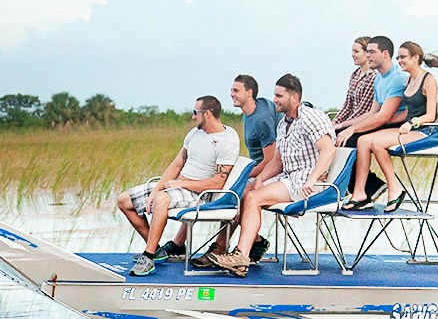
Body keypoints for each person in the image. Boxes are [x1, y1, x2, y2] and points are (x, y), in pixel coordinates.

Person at [209, 75, 336, 278]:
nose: (274, 100)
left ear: (294, 97)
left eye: (279, 95)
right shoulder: (284, 123)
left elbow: (328, 150)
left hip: (307, 181)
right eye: (274, 95)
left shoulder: (312, 117)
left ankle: (241, 256)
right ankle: (229, 249)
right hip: (289, 176)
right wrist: (259, 179)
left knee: (253, 198)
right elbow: (277, 161)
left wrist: (312, 179)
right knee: (244, 191)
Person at [116, 95, 239, 276]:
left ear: (207, 114)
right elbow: (177, 164)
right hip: (178, 187)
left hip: (199, 193)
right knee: (123, 200)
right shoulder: (194, 133)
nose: (192, 116)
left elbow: (218, 182)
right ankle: (156, 250)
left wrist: (180, 184)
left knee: (162, 199)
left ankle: (148, 257)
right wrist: (158, 187)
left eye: (195, 112)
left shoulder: (227, 138)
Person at [166, 75, 277, 263]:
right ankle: (255, 241)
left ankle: (220, 247)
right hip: (259, 167)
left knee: (239, 191)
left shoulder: (261, 119)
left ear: (249, 93)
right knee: (217, 182)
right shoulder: (251, 111)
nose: (231, 94)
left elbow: (270, 159)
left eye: (236, 90)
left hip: (273, 170)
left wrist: (240, 176)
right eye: (231, 90)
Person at [342, 41, 438, 210]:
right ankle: (360, 193)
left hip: (425, 130)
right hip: (410, 126)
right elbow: (407, 111)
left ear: (416, 57)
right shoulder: (409, 80)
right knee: (363, 141)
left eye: (403, 57)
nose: (399, 61)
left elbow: (430, 115)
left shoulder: (428, 80)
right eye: (398, 57)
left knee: (377, 144)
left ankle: (395, 189)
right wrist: (387, 120)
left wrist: (412, 123)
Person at [333, 35, 406, 197]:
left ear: (385, 54)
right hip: (382, 122)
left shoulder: (397, 79)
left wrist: (351, 130)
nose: (367, 56)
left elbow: (383, 117)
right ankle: (362, 188)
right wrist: (344, 126)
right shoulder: (379, 78)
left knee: (349, 140)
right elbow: (372, 112)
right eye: (367, 52)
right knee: (335, 136)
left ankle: (366, 189)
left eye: (371, 52)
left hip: (394, 126)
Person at [330, 36, 376, 134]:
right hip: (351, 121)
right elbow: (347, 105)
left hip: (362, 124)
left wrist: (343, 125)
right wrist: (334, 122)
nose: (352, 55)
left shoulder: (373, 76)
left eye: (356, 51)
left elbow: (362, 110)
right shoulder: (355, 74)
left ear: (367, 53)